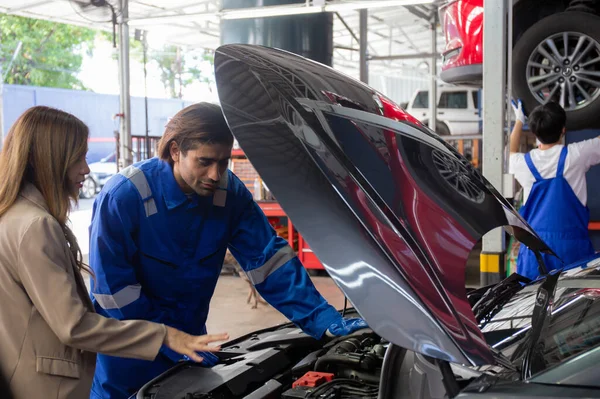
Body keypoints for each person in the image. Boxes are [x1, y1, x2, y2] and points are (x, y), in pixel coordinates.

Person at [88, 102, 369, 398]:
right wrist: (169, 341)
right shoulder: (124, 196)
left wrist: (322, 319)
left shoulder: (228, 192)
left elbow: (268, 260)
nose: (215, 174)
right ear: (175, 151)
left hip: (191, 352)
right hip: (128, 359)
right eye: (204, 161)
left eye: (223, 162)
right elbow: (113, 292)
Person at [0, 106, 229, 399]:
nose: (86, 169)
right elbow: (74, 326)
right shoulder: (36, 226)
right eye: (78, 158)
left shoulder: (13, 215)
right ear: (49, 160)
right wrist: (166, 335)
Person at [509, 100, 600, 280]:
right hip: (573, 251)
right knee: (575, 306)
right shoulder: (576, 156)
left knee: (532, 304)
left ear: (534, 133)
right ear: (563, 130)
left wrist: (519, 120)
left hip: (535, 252)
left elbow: (510, 152)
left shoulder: (524, 164)